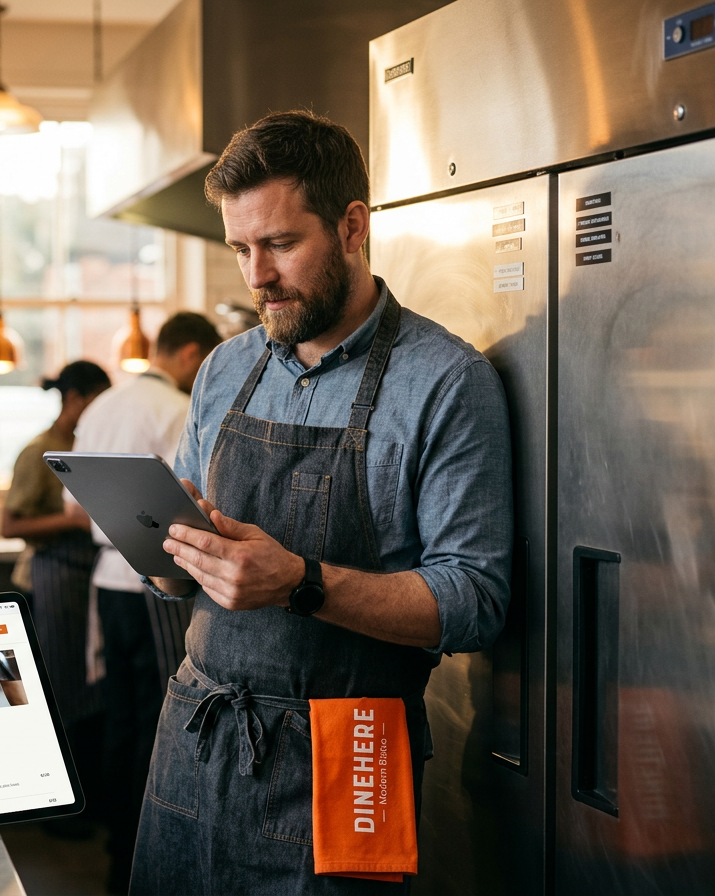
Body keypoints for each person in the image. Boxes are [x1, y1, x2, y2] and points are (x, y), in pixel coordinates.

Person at [130, 111, 513, 894]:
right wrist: (167, 555)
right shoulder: (225, 368)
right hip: (198, 738)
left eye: (278, 244)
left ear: (351, 226)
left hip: (351, 755)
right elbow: (179, 563)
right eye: (240, 249)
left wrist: (300, 582)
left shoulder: (446, 382)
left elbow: (476, 600)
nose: (256, 277)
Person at [66, 312, 222, 894]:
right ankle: (143, 848)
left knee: (122, 712)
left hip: (108, 579)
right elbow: (196, 495)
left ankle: (116, 846)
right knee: (161, 718)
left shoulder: (105, 403)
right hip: (155, 577)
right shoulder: (173, 409)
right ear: (188, 356)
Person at [1, 359, 110, 822]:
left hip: (84, 579)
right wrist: (71, 520)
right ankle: (58, 812)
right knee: (60, 693)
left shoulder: (90, 444)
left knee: (88, 690)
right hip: (50, 581)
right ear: (74, 399)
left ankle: (83, 805)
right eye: (96, 402)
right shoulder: (40, 451)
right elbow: (11, 524)